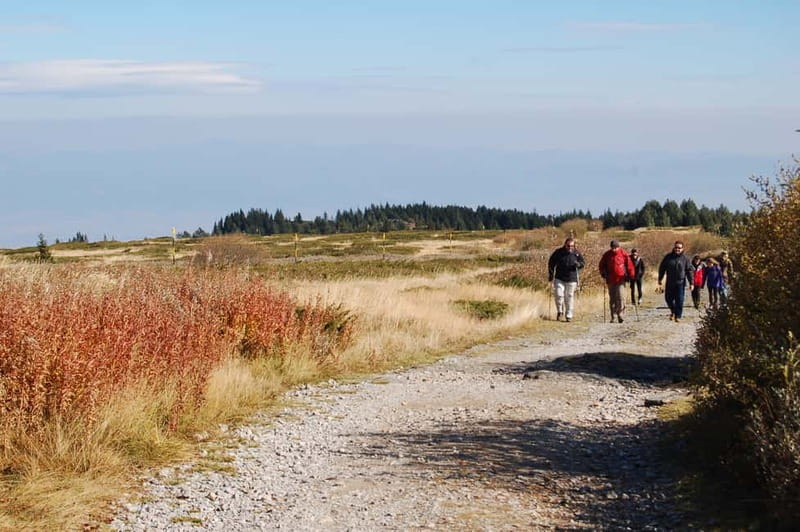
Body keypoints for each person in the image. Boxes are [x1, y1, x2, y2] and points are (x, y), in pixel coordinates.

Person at [548, 237, 585, 322]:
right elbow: (551, 262)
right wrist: (551, 274)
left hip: (572, 279)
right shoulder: (558, 252)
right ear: (565, 245)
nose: (570, 248)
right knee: (559, 295)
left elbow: (583, 263)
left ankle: (569, 315)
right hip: (559, 278)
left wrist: (578, 265)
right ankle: (560, 311)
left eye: (572, 246)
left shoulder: (577, 253)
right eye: (568, 246)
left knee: (569, 296)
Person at [657, 240, 695, 322]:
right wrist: (660, 279)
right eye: (676, 247)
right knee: (668, 299)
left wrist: (691, 283)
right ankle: (673, 311)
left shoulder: (685, 259)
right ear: (674, 247)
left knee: (680, 300)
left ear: (682, 249)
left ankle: (678, 316)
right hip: (670, 281)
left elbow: (689, 271)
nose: (677, 249)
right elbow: (662, 268)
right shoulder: (668, 257)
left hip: (680, 282)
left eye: (679, 248)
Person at [599, 240, 635, 323]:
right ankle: (613, 316)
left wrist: (631, 275)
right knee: (613, 298)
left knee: (621, 297)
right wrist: (603, 273)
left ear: (618, 247)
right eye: (612, 248)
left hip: (621, 279)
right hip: (610, 279)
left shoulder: (623, 253)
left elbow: (629, 265)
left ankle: (621, 314)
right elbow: (601, 265)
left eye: (615, 248)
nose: (614, 249)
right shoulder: (607, 254)